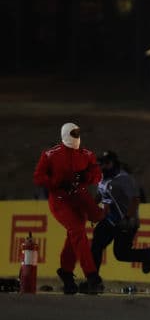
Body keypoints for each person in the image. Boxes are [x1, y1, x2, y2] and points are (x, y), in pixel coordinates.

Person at [32, 122, 105, 294]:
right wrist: (56, 183)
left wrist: (85, 176)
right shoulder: (50, 155)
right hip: (59, 201)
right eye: (73, 133)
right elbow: (38, 177)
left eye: (77, 133)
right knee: (78, 231)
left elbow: (97, 175)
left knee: (74, 234)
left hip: (79, 199)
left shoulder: (87, 155)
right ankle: (92, 275)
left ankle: (65, 272)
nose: (76, 136)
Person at [90, 151, 150, 276]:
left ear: (114, 163)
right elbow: (100, 194)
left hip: (126, 221)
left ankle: (146, 254)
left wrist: (127, 218)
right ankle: (93, 280)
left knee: (121, 254)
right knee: (96, 245)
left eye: (106, 163)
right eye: (101, 163)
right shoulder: (102, 178)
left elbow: (135, 200)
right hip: (110, 219)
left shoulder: (124, 179)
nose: (103, 166)